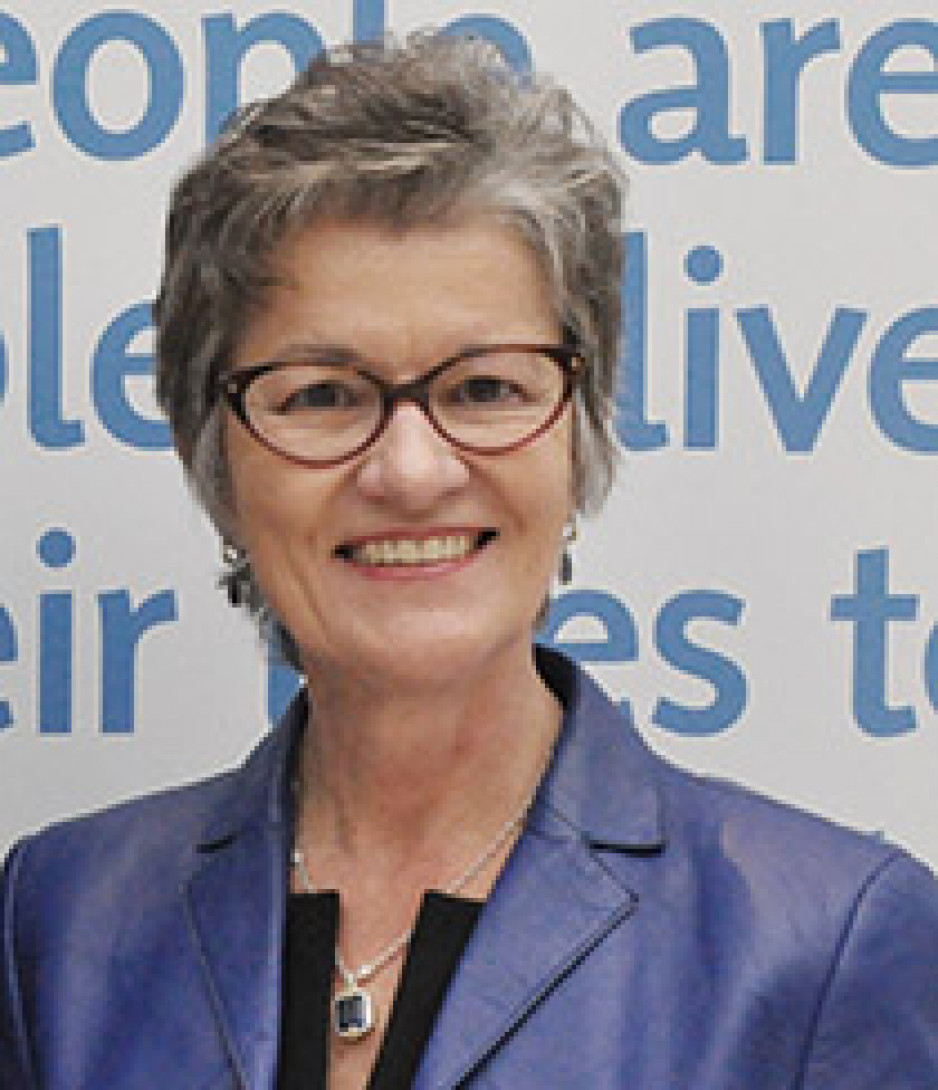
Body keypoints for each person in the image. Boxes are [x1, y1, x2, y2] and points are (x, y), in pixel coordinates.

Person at [2, 33, 937, 1090]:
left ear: (578, 435)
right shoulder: (59, 921)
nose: (410, 468)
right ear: (213, 462)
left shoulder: (824, 946)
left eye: (483, 388)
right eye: (322, 393)